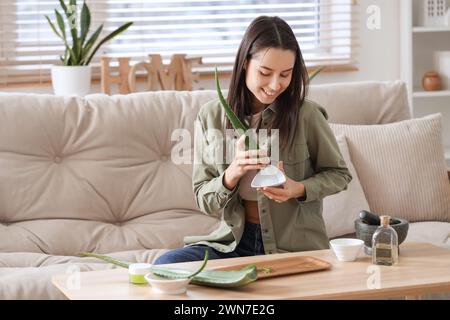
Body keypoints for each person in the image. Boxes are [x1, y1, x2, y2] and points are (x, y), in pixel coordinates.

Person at [154, 16, 352, 265]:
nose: (275, 85)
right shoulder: (212, 116)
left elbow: (339, 174)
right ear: (245, 63)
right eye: (265, 72)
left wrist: (298, 189)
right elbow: (204, 198)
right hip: (233, 244)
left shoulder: (307, 115)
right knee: (166, 265)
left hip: (292, 248)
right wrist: (232, 173)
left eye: (285, 74)